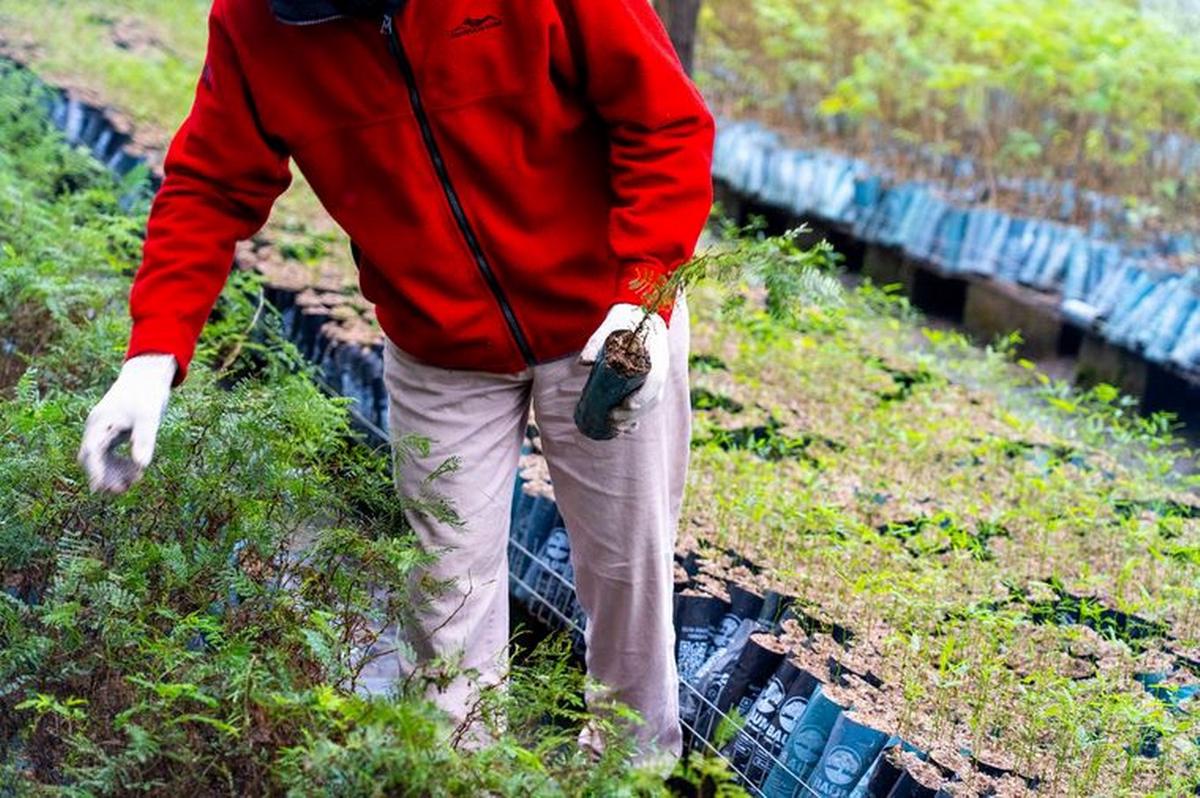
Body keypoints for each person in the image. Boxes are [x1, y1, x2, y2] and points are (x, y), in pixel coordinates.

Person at [77, 0, 714, 764]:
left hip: (603, 326)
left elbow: (665, 121)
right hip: (439, 347)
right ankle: (456, 778)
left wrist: (642, 302)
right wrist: (152, 356)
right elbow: (209, 185)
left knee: (628, 585)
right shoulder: (254, 20)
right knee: (446, 607)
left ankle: (629, 775)